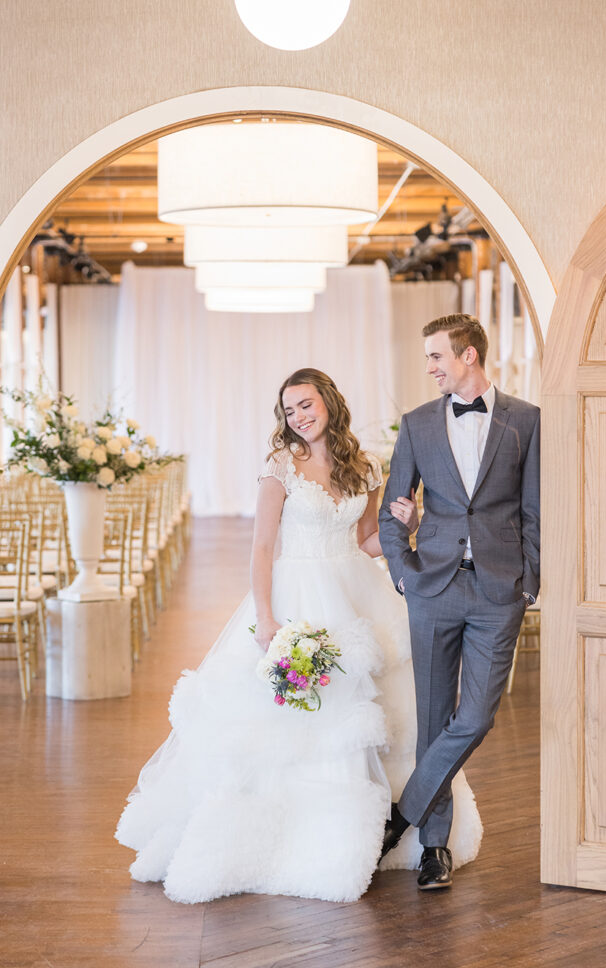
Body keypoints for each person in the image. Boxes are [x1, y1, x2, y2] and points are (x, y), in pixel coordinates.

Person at [116, 367, 482, 904]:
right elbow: (262, 548)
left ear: (329, 402)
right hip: (297, 596)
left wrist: (406, 527)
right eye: (289, 410)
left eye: (306, 404)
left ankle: (390, 832)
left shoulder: (364, 465)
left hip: (355, 592)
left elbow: (365, 539)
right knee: (299, 718)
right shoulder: (280, 467)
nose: (299, 417)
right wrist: (266, 618)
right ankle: (295, 840)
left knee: (379, 709)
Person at [378, 314, 540, 891]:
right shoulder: (418, 423)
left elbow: (535, 510)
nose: (429, 368)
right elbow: (392, 507)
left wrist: (530, 583)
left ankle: (403, 812)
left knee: (474, 717)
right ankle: (433, 847)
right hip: (433, 587)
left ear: (468, 355)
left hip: (500, 591)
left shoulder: (526, 420)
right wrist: (402, 572)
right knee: (431, 719)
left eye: (436, 356)